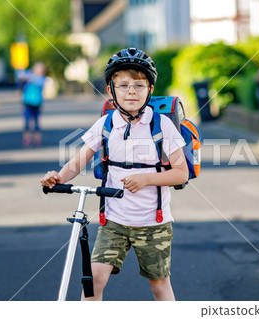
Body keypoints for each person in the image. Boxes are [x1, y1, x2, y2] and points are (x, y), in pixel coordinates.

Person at [40, 48, 188, 301]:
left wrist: (146, 179)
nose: (131, 91)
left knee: (159, 285)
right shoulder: (106, 124)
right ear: (111, 90)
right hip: (114, 222)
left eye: (139, 85)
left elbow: (181, 173)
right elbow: (77, 163)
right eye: (124, 85)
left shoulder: (161, 124)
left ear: (150, 90)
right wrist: (59, 177)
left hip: (153, 223)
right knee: (94, 280)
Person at [19, 62, 46, 147]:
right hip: (27, 102)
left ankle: (37, 139)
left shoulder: (41, 79)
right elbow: (20, 76)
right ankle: (27, 139)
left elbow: (39, 82)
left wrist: (30, 77)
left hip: (37, 103)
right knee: (27, 122)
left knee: (36, 122)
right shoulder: (28, 77)